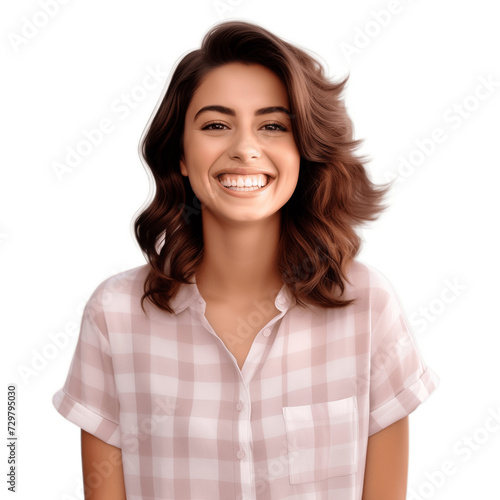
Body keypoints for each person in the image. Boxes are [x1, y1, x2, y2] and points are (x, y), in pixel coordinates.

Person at [52, 20, 439, 500]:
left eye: (273, 126)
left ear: (304, 150)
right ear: (180, 154)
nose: (244, 149)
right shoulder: (115, 314)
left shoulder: (369, 307)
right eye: (216, 125)